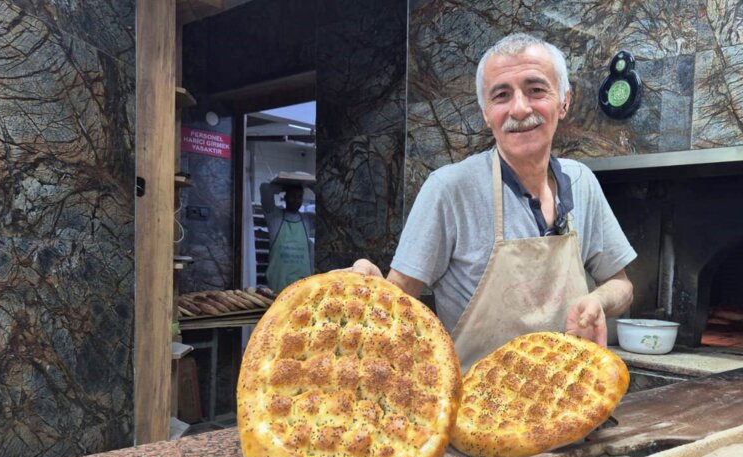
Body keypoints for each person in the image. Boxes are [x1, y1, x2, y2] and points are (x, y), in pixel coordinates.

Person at [351, 32, 636, 368]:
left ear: (564, 102)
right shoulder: (450, 188)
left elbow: (622, 286)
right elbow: (396, 296)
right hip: (478, 407)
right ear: (486, 113)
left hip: (565, 399)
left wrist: (598, 301)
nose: (519, 108)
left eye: (536, 90)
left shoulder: (581, 181)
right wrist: (367, 289)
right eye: (501, 95)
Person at [261, 178, 314, 292]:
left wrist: (312, 186)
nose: (296, 200)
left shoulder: (307, 219)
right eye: (292, 195)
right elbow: (264, 188)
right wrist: (283, 186)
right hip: (278, 287)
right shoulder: (275, 217)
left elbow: (326, 207)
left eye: (299, 196)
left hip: (302, 287)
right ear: (285, 197)